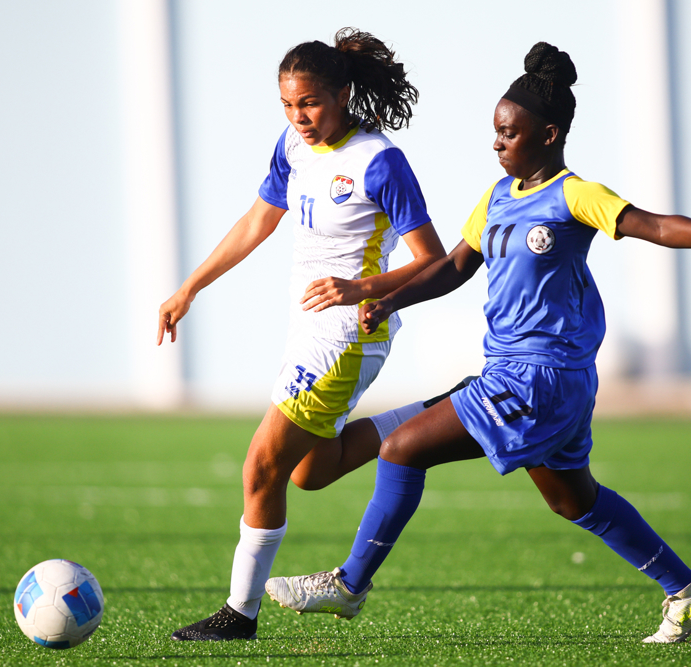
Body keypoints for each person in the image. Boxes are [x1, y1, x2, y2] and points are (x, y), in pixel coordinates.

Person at [265, 42, 691, 645]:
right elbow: (453, 267)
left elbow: (651, 225)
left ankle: (349, 584)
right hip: (523, 374)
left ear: (548, 135)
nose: (498, 143)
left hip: (540, 376)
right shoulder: (498, 196)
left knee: (401, 450)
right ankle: (687, 590)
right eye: (496, 132)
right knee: (574, 501)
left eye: (509, 133)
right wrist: (388, 299)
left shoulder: (574, 194)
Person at [157, 28, 452, 641]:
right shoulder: (292, 145)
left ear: (342, 95)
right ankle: (440, 412)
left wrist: (359, 288)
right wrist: (190, 287)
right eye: (288, 105)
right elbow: (256, 222)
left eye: (311, 103)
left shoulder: (379, 160)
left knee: (261, 466)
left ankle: (238, 614)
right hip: (307, 326)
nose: (299, 117)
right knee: (310, 472)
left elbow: (434, 260)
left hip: (351, 331)